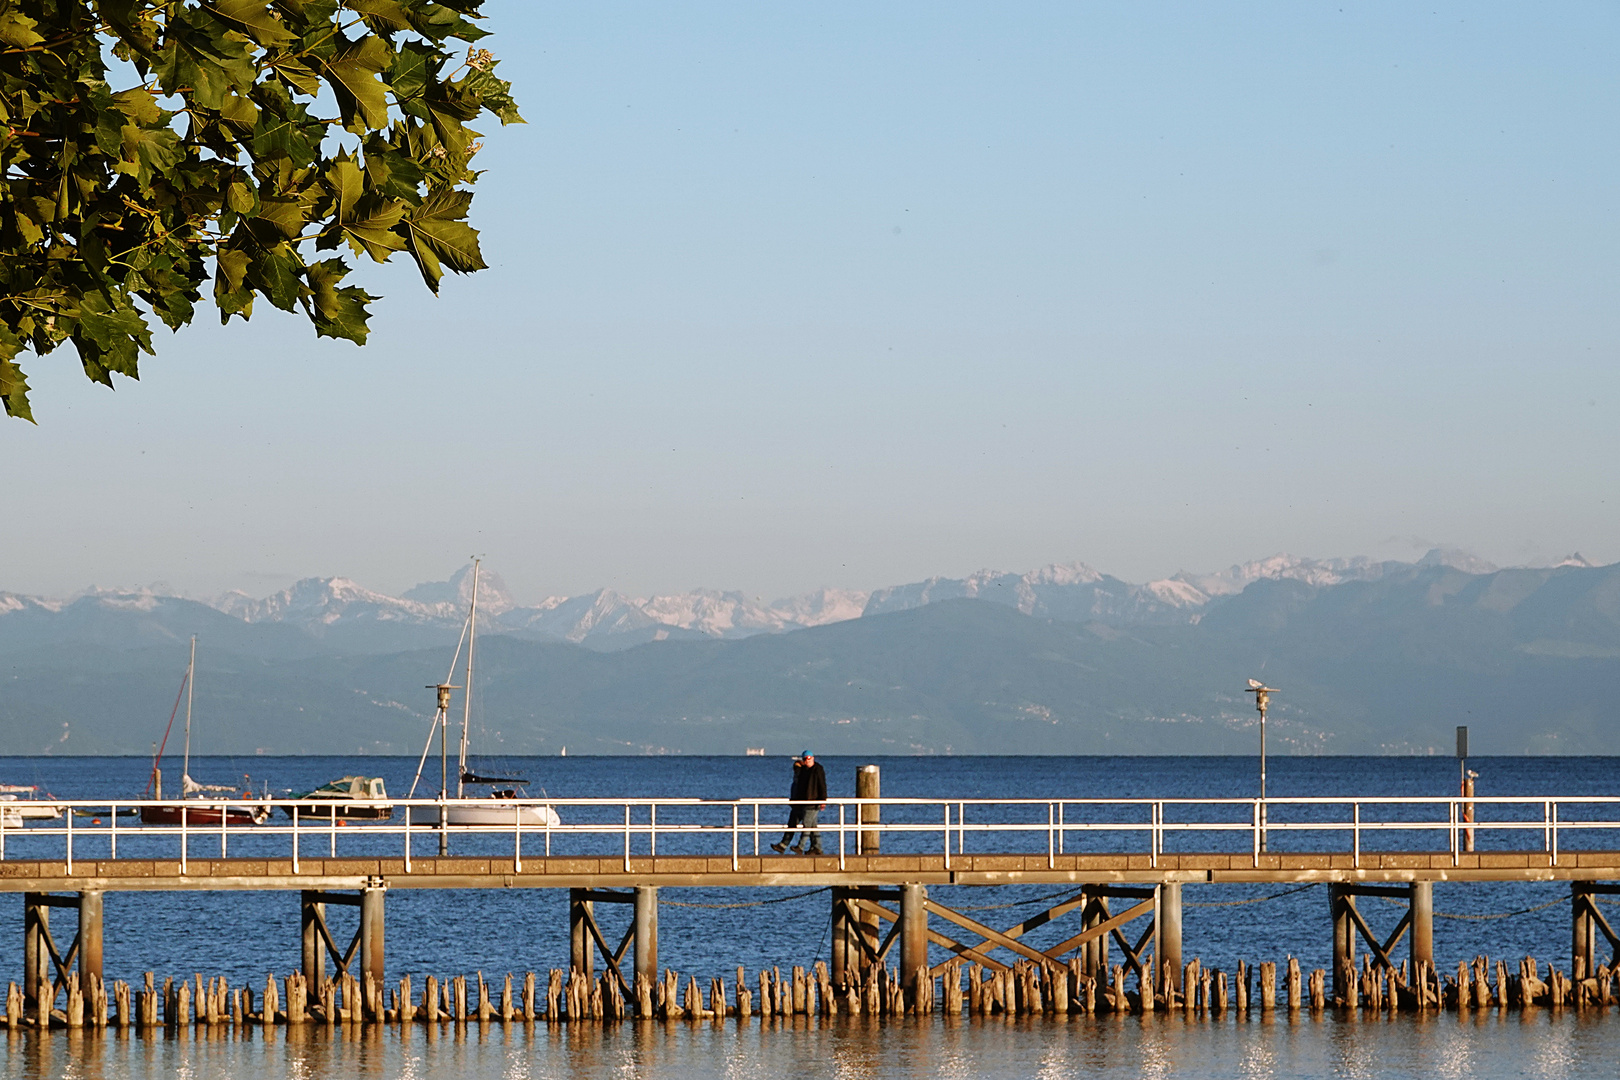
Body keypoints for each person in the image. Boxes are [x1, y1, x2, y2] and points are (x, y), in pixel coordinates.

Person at [771, 751, 826, 854]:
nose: (807, 761)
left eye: (809, 758)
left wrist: (823, 800)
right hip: (801, 803)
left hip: (812, 803)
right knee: (810, 826)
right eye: (805, 759)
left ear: (813, 758)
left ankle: (800, 846)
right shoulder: (803, 773)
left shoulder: (817, 769)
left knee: (807, 825)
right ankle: (817, 848)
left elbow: (822, 785)